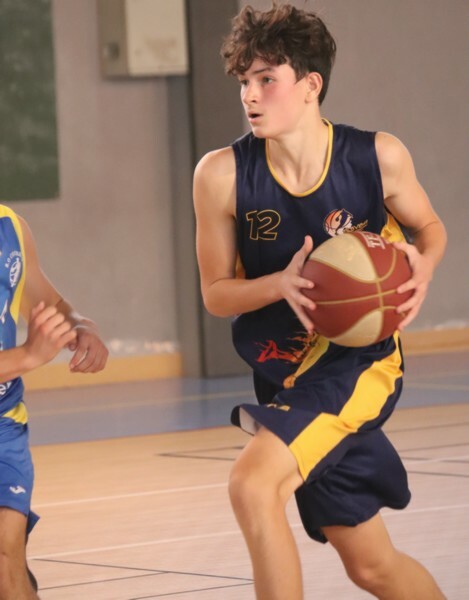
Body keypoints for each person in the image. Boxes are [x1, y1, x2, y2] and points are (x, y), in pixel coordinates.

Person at [193, 4, 447, 600]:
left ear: (311, 85)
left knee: (253, 485)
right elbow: (215, 294)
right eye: (244, 82)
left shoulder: (377, 157)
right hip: (283, 374)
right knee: (372, 566)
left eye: (266, 79)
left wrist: (424, 264)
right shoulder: (221, 175)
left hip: (359, 364)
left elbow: (430, 229)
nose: (249, 95)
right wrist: (277, 285)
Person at [0, 203, 108, 598]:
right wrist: (28, 355)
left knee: (4, 556)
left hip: (3, 424)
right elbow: (30, 353)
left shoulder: (10, 227)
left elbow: (47, 302)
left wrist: (79, 326)